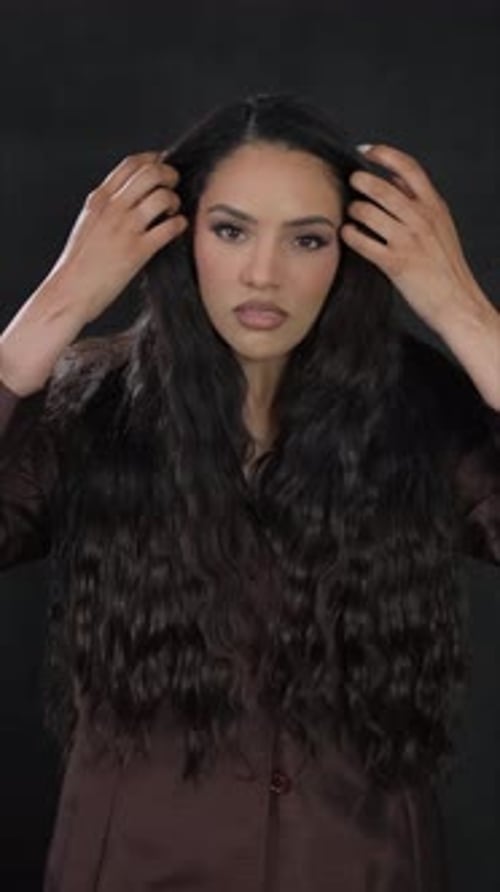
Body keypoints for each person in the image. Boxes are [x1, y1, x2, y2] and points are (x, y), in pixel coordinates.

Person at [0, 92, 499, 892]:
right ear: (181, 235)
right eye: (231, 231)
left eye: (308, 239)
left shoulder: (420, 406)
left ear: (351, 254)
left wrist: (464, 311)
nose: (264, 273)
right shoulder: (91, 404)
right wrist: (56, 306)